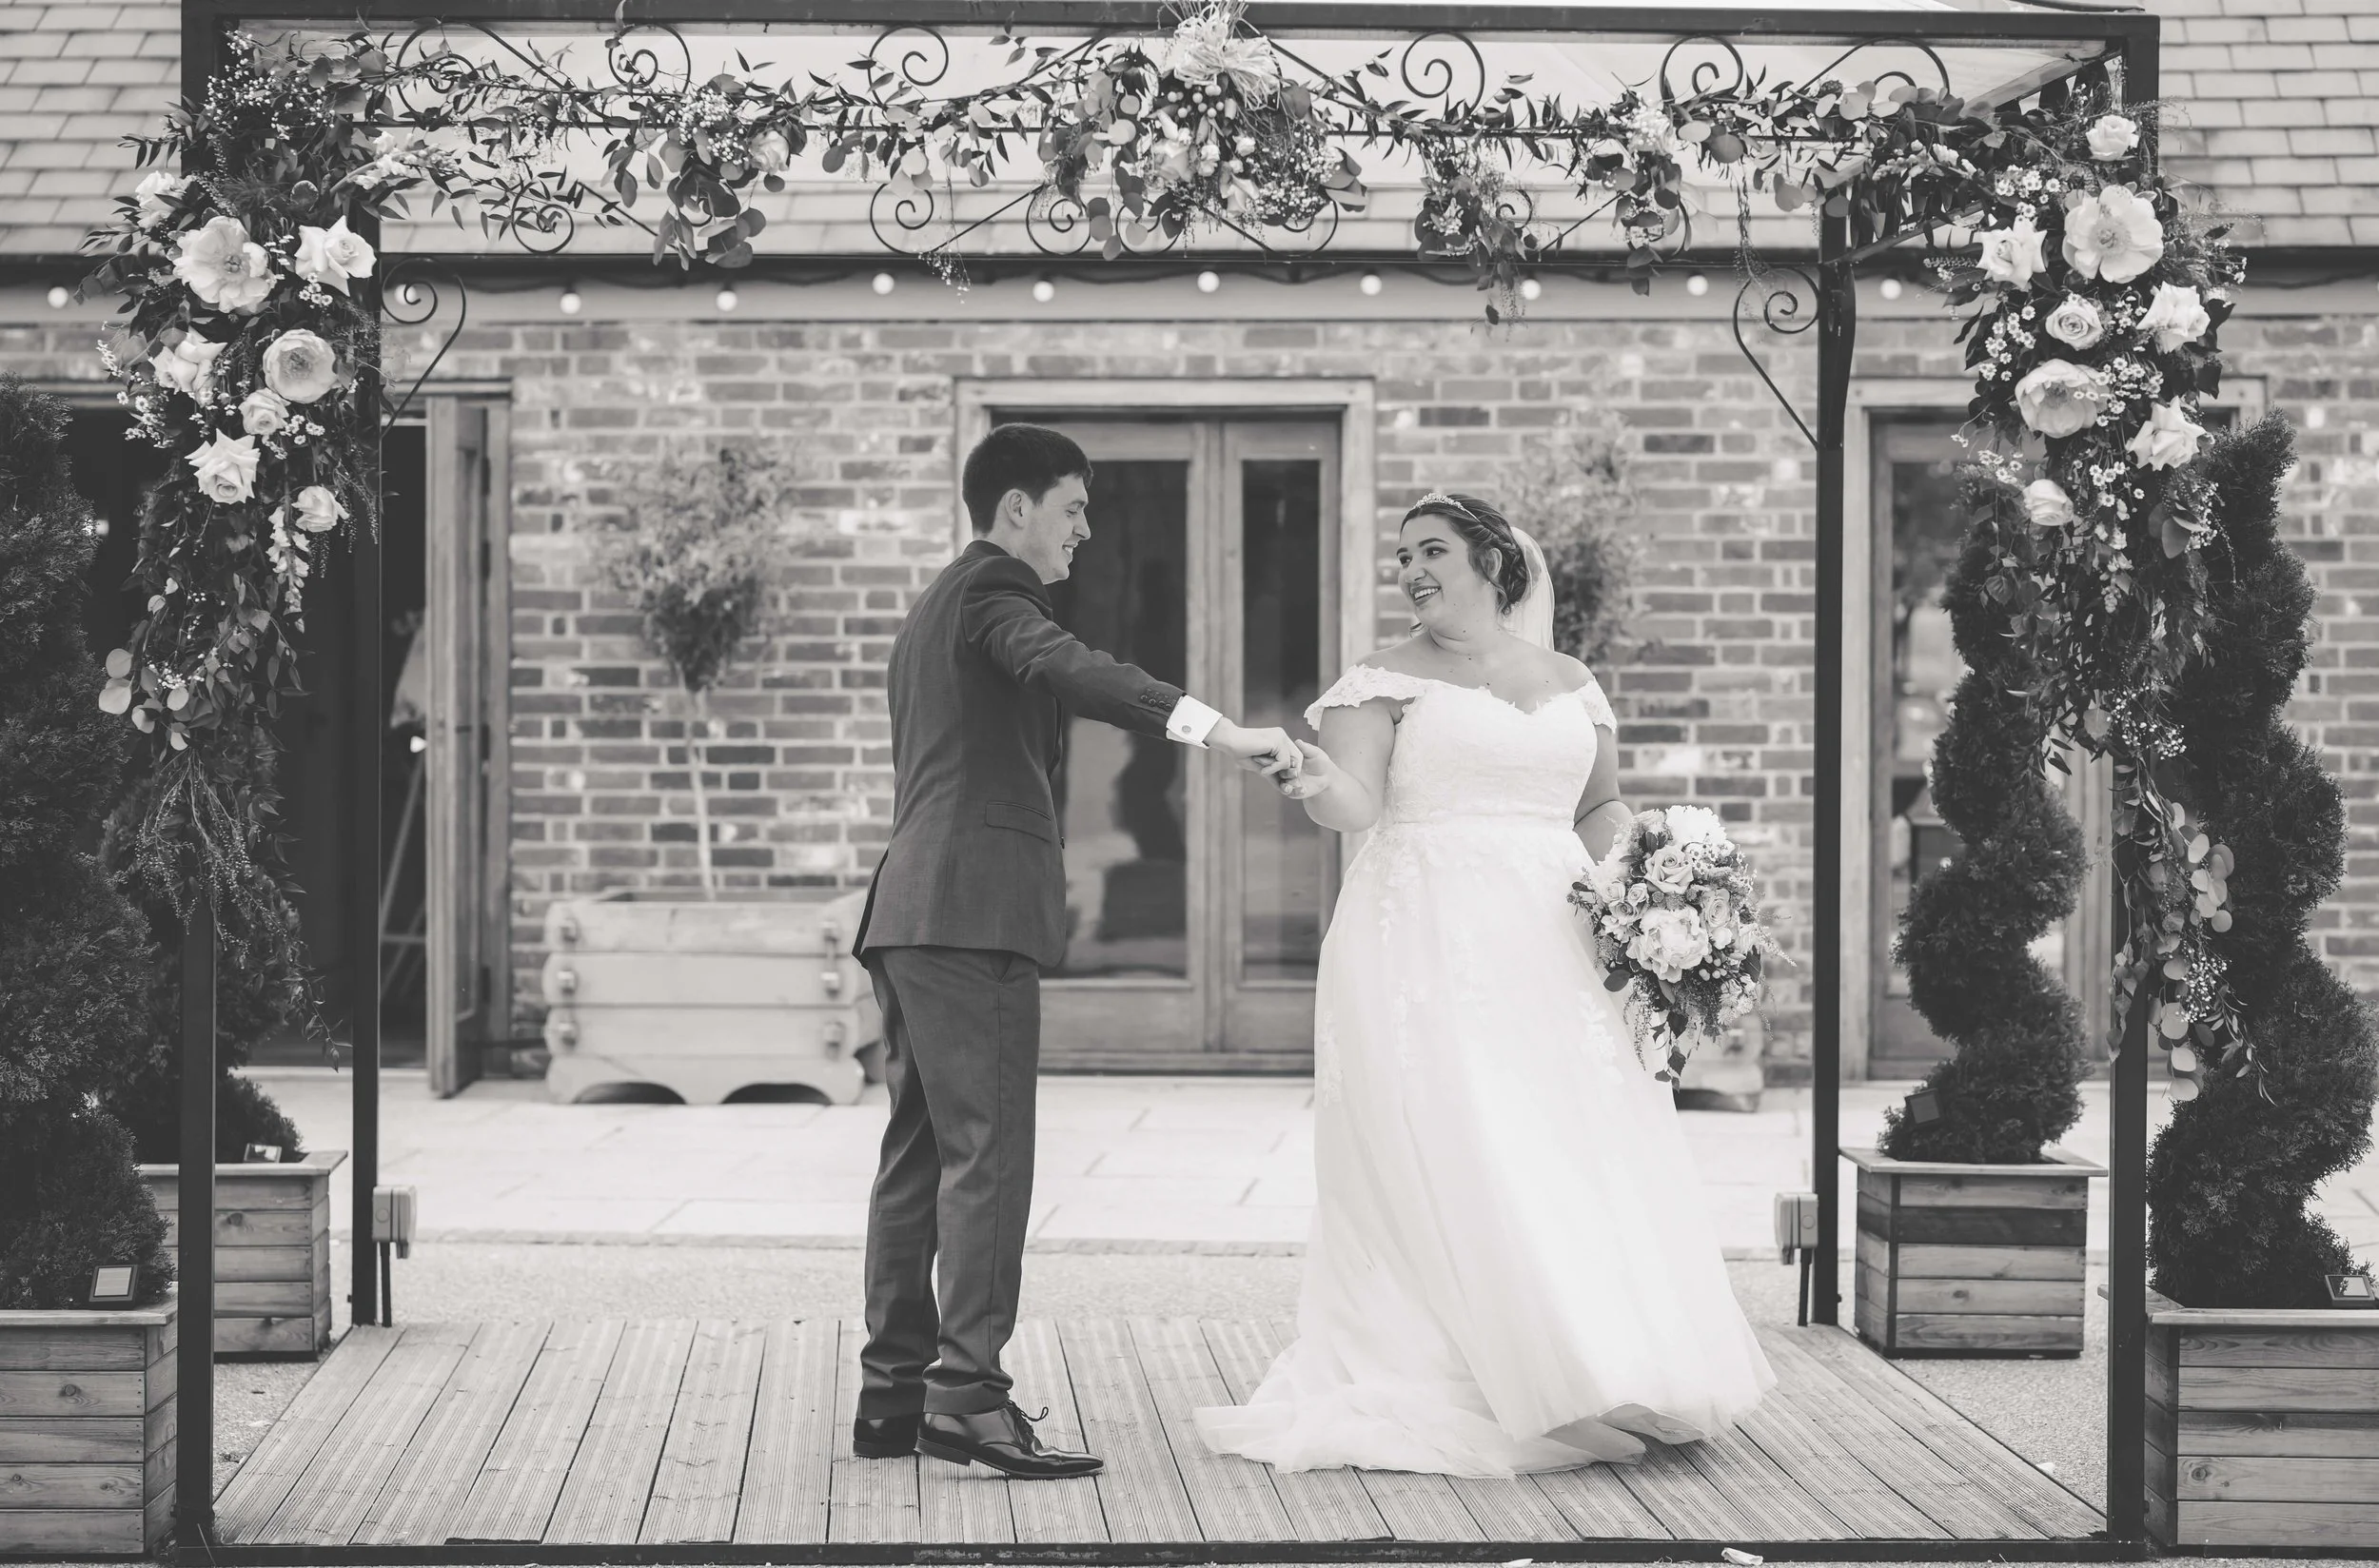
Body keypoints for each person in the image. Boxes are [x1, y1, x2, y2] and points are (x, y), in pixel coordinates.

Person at [1192, 491, 1774, 1477]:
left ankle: (1600, 1360)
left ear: (1493, 562)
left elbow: (1599, 806)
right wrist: (1304, 777)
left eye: (1434, 551)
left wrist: (1666, 888)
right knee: (1458, 1140)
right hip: (1421, 938)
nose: (1413, 570)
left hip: (1556, 941)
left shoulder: (1571, 681)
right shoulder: (1380, 682)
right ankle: (1469, 1372)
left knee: (1564, 1142)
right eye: (1403, 556)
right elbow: (1356, 802)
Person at [850, 423, 1303, 1480]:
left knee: (920, 1153)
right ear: (1016, 509)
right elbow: (1068, 669)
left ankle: (895, 1392)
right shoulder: (995, 597)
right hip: (971, 914)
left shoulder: (933, 609)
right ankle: (964, 1398)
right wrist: (1217, 732)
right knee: (988, 1156)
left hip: (914, 908)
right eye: (1074, 507)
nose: (1086, 530)